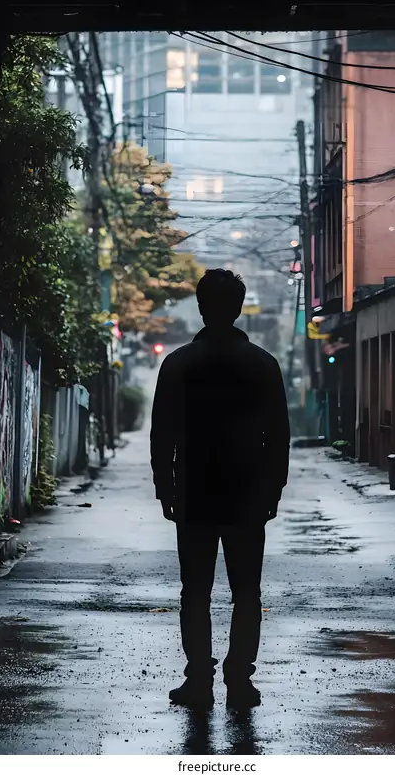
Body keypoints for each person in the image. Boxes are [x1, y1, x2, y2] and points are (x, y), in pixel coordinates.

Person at [150, 269, 290, 711]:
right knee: (246, 591)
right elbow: (278, 436)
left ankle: (198, 681)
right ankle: (240, 682)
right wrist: (273, 490)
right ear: (238, 306)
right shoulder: (263, 365)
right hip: (247, 493)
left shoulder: (178, 364)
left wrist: (164, 485)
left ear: (200, 305)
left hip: (195, 490)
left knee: (196, 590)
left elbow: (162, 434)